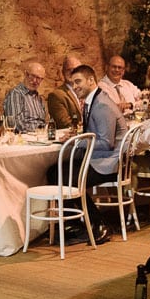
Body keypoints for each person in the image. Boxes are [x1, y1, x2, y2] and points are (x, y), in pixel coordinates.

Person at [64, 63, 124, 244]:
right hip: (98, 159)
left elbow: (106, 143)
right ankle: (75, 225)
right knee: (54, 172)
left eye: (78, 82)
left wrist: (78, 141)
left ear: (91, 80)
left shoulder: (101, 104)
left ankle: (99, 224)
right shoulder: (93, 100)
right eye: (72, 83)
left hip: (107, 163)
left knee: (66, 178)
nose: (75, 87)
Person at [2, 60, 49, 132]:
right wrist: (38, 132)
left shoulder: (38, 98)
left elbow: (43, 122)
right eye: (33, 76)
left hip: (40, 138)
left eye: (39, 78)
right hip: (24, 139)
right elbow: (16, 125)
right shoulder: (16, 94)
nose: (35, 81)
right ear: (26, 74)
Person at [46, 54, 84, 128]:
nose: (72, 73)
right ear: (63, 72)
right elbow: (65, 124)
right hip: (73, 138)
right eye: (68, 70)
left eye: (75, 70)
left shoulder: (86, 92)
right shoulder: (56, 95)